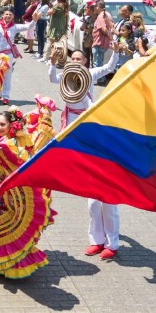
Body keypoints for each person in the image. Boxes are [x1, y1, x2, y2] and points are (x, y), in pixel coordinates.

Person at [48, 46, 121, 257]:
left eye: (80, 59)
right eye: (74, 58)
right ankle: (96, 240)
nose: (76, 61)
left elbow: (109, 67)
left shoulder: (89, 74)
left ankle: (112, 243)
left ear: (86, 61)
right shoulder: (67, 75)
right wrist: (52, 61)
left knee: (107, 202)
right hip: (73, 123)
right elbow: (52, 78)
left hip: (91, 127)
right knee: (92, 200)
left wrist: (114, 51)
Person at [0, 107, 53, 279]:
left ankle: (6, 260)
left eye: (2, 124)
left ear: (12, 125)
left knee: (14, 225)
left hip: (16, 196)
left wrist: (44, 115)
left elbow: (34, 151)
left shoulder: (22, 143)